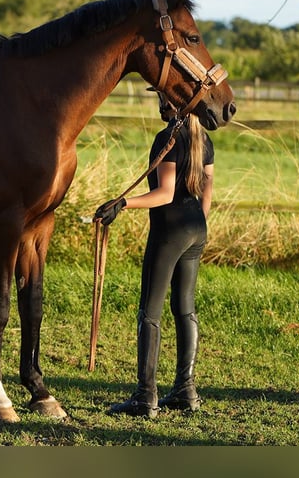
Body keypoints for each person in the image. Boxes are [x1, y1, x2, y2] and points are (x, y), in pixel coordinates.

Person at [94, 94, 214, 418]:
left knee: (150, 311)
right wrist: (198, 222)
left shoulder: (168, 138)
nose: (160, 103)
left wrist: (122, 203)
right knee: (185, 308)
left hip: (169, 233)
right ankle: (186, 390)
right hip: (196, 230)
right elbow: (207, 186)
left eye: (163, 97)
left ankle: (146, 396)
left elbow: (165, 193)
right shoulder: (203, 137)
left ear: (174, 102)